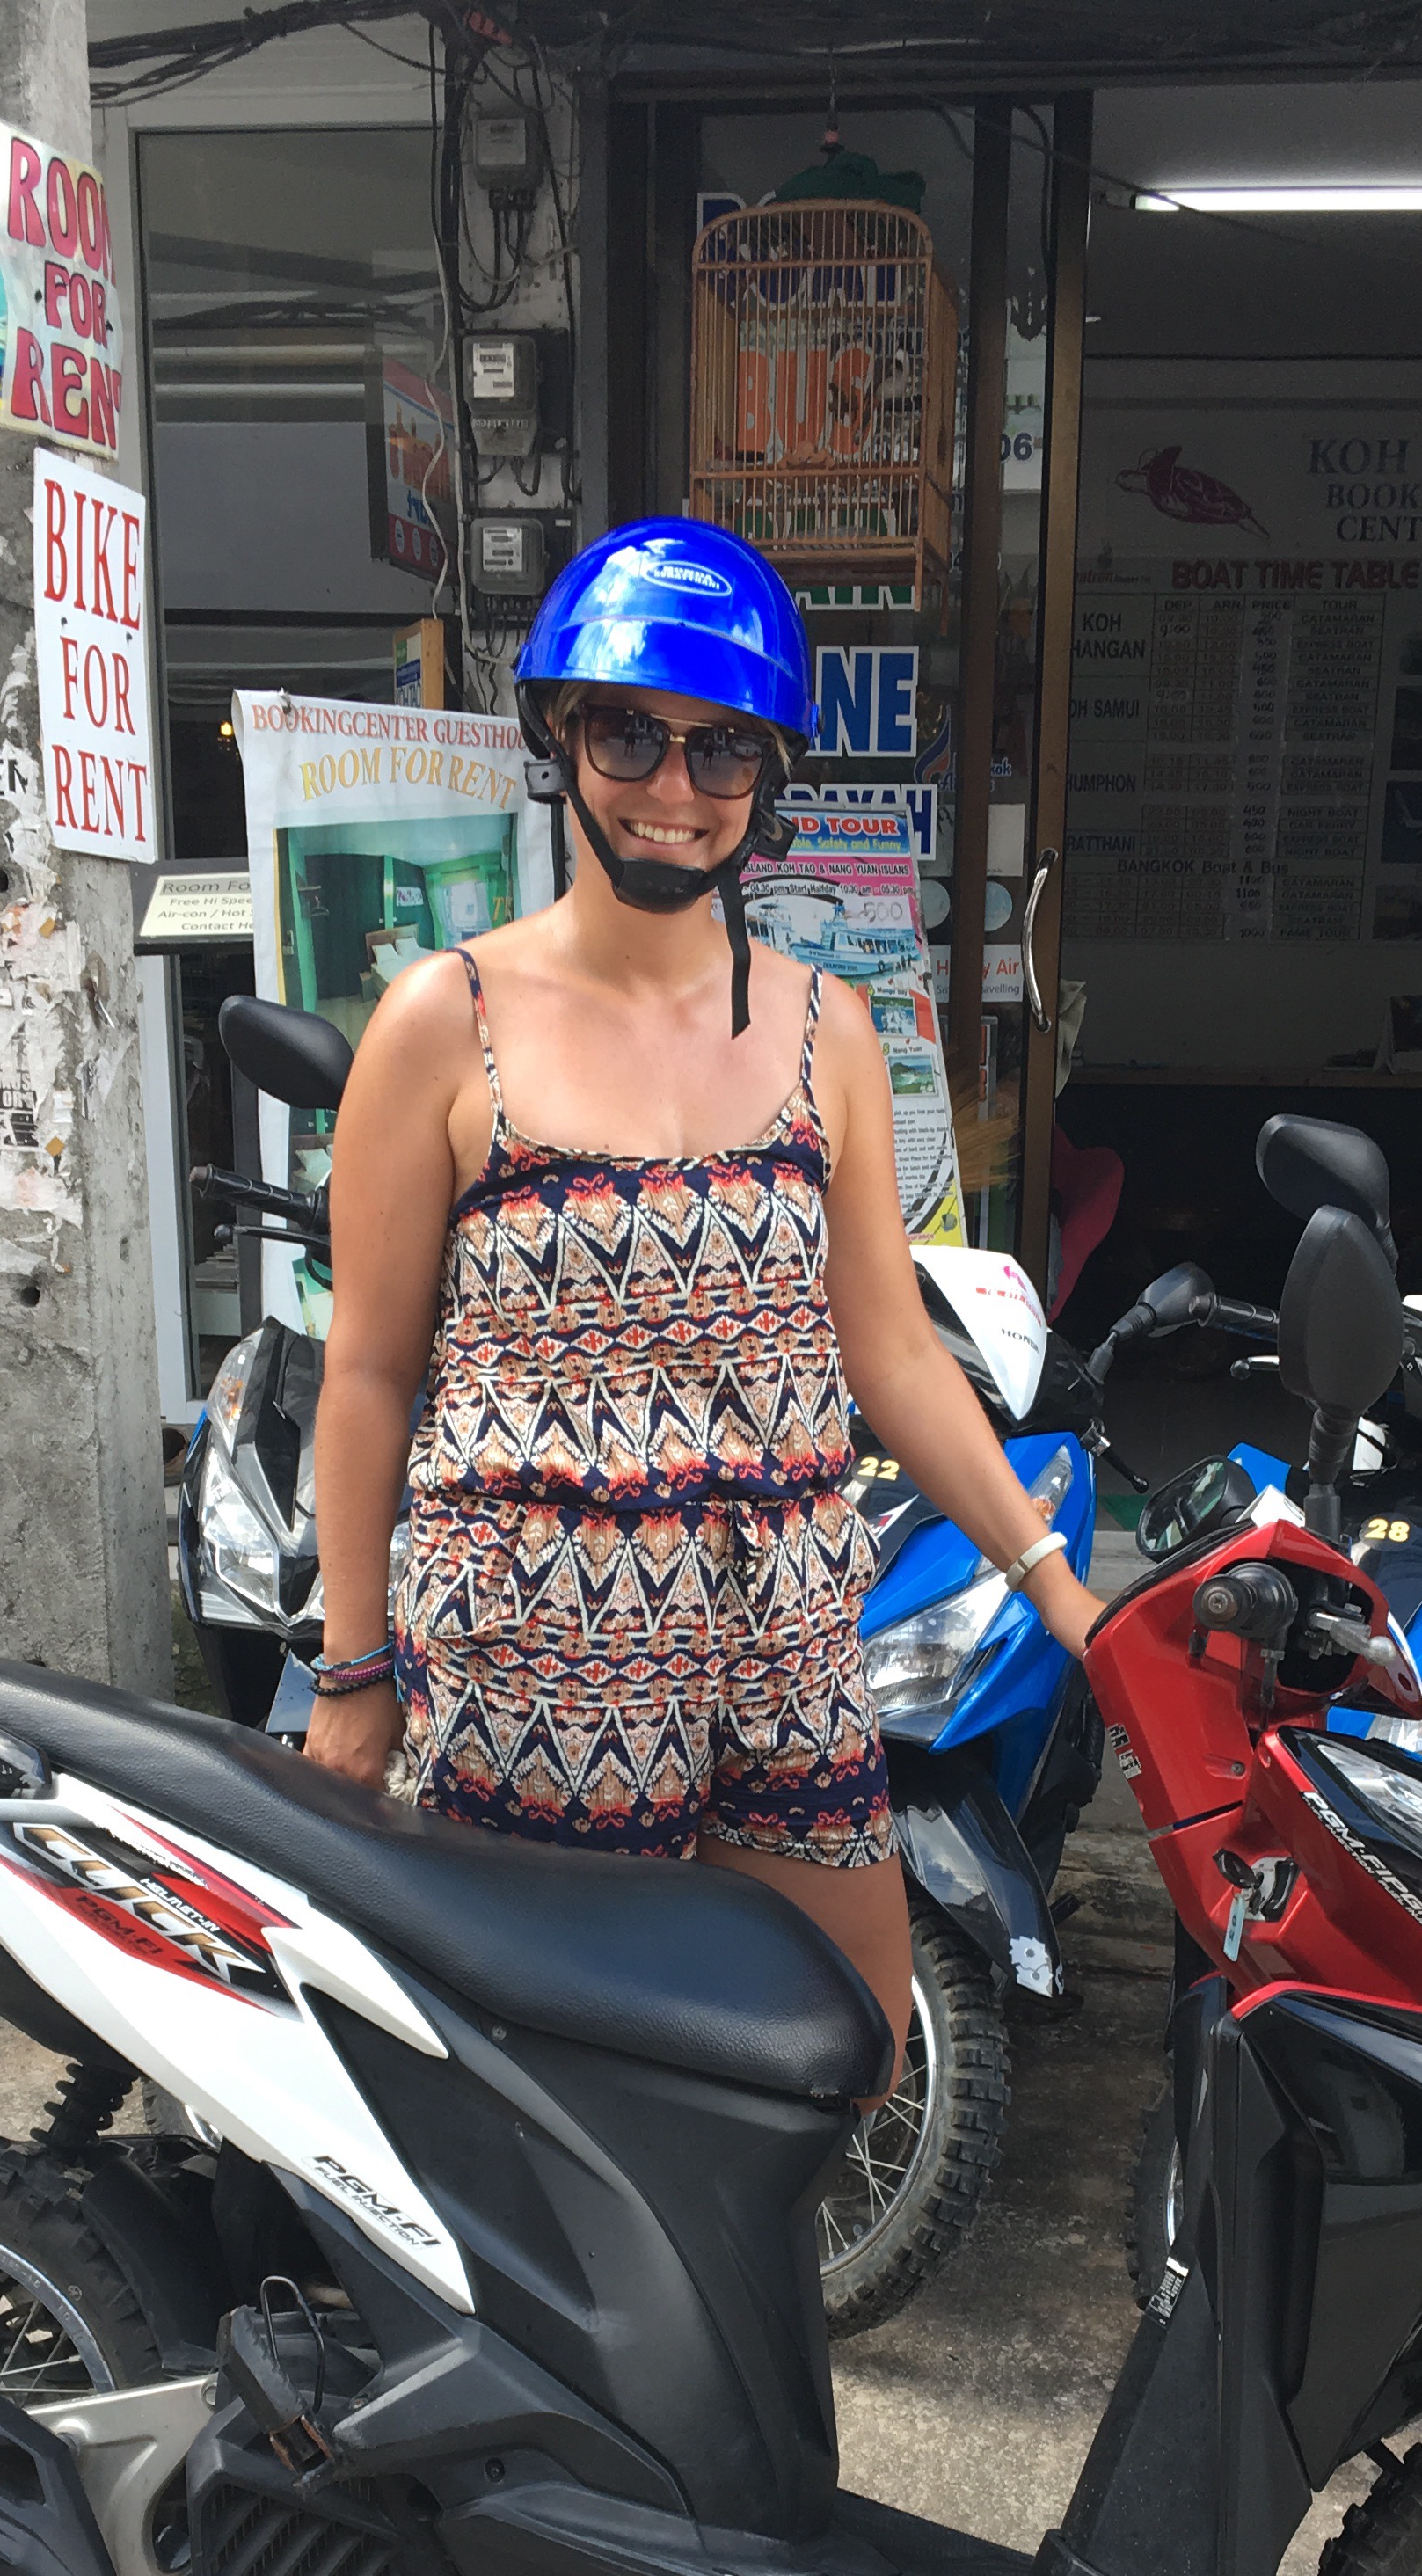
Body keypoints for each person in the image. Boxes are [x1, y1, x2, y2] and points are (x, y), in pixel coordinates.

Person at [303, 518, 1101, 2091]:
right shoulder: (442, 1021)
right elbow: (368, 1375)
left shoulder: (828, 1030)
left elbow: (890, 1351)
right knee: (562, 2096)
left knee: (843, 2054)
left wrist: (1062, 1592)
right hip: (536, 1643)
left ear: (770, 775)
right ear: (559, 732)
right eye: (629, 734)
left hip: (786, 1629)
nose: (673, 787)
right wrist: (351, 1669)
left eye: (722, 748)